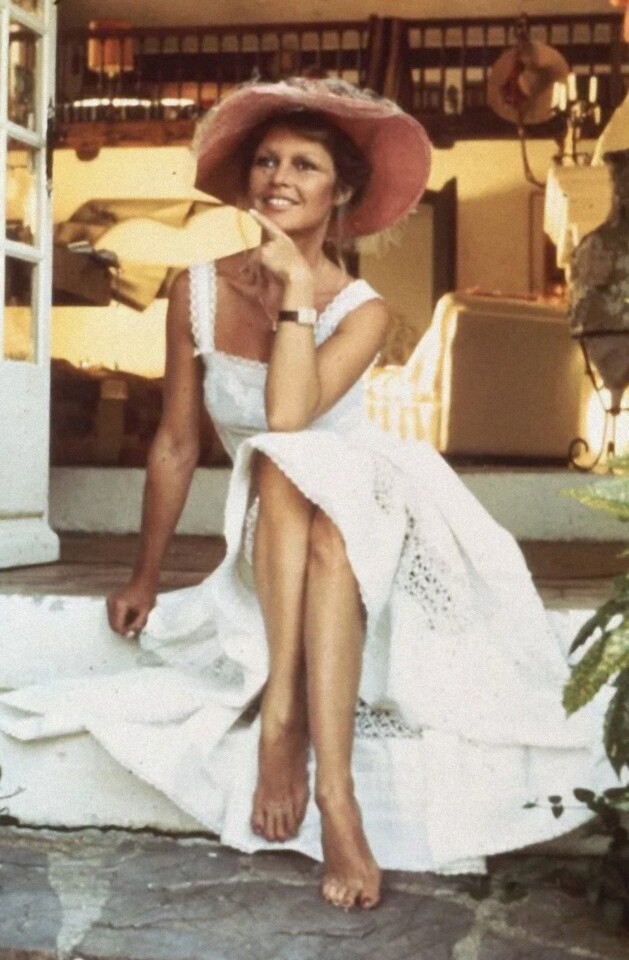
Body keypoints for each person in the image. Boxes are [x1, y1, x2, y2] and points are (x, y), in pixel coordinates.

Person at [0, 77, 612, 913]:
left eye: (304, 165)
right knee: (284, 473)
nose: (278, 178)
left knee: (295, 462)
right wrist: (144, 574)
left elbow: (288, 416)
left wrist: (295, 289)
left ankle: (314, 764)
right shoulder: (196, 290)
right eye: (266, 161)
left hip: (373, 502)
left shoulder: (362, 309)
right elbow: (176, 441)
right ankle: (315, 765)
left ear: (341, 194)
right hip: (276, 520)